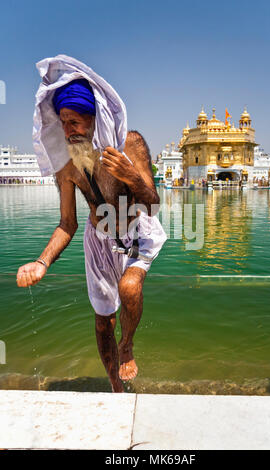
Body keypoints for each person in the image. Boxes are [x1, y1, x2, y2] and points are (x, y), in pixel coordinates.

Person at [16, 56, 167, 393]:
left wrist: (131, 176)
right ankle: (115, 383)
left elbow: (153, 205)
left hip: (136, 232)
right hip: (98, 238)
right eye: (64, 122)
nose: (69, 131)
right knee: (102, 324)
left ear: (95, 118)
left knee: (129, 288)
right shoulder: (67, 166)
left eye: (75, 122)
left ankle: (127, 344)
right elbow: (66, 224)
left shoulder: (130, 145)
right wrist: (42, 262)